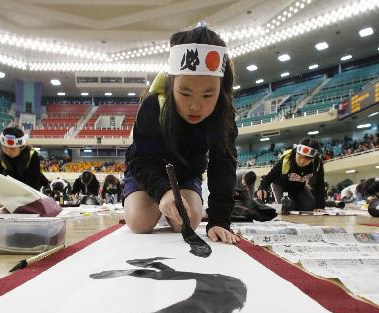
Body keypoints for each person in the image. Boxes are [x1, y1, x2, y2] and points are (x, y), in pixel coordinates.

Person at [123, 25, 239, 244]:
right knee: (140, 222)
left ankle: (167, 204)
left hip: (186, 173)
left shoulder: (223, 114)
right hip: (147, 169)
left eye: (208, 95)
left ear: (220, 89)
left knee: (187, 222)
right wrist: (162, 192)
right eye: (185, 93)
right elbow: (140, 159)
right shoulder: (153, 105)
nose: (195, 106)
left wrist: (219, 220)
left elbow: (223, 165)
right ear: (171, 82)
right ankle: (148, 200)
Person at [257, 138, 325, 211]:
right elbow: (270, 176)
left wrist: (320, 206)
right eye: (299, 157)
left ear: (313, 158)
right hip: (281, 186)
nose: (302, 161)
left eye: (306, 159)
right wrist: (262, 188)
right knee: (287, 207)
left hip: (300, 187)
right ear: (296, 152)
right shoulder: (287, 159)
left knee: (310, 206)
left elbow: (320, 184)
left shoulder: (317, 163)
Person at [0, 126, 46, 190]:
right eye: (5, 147)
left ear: (22, 147)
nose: (8, 151)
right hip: (11, 187)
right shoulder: (0, 156)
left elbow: (34, 183)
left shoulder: (32, 155)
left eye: (12, 149)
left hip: (30, 187)